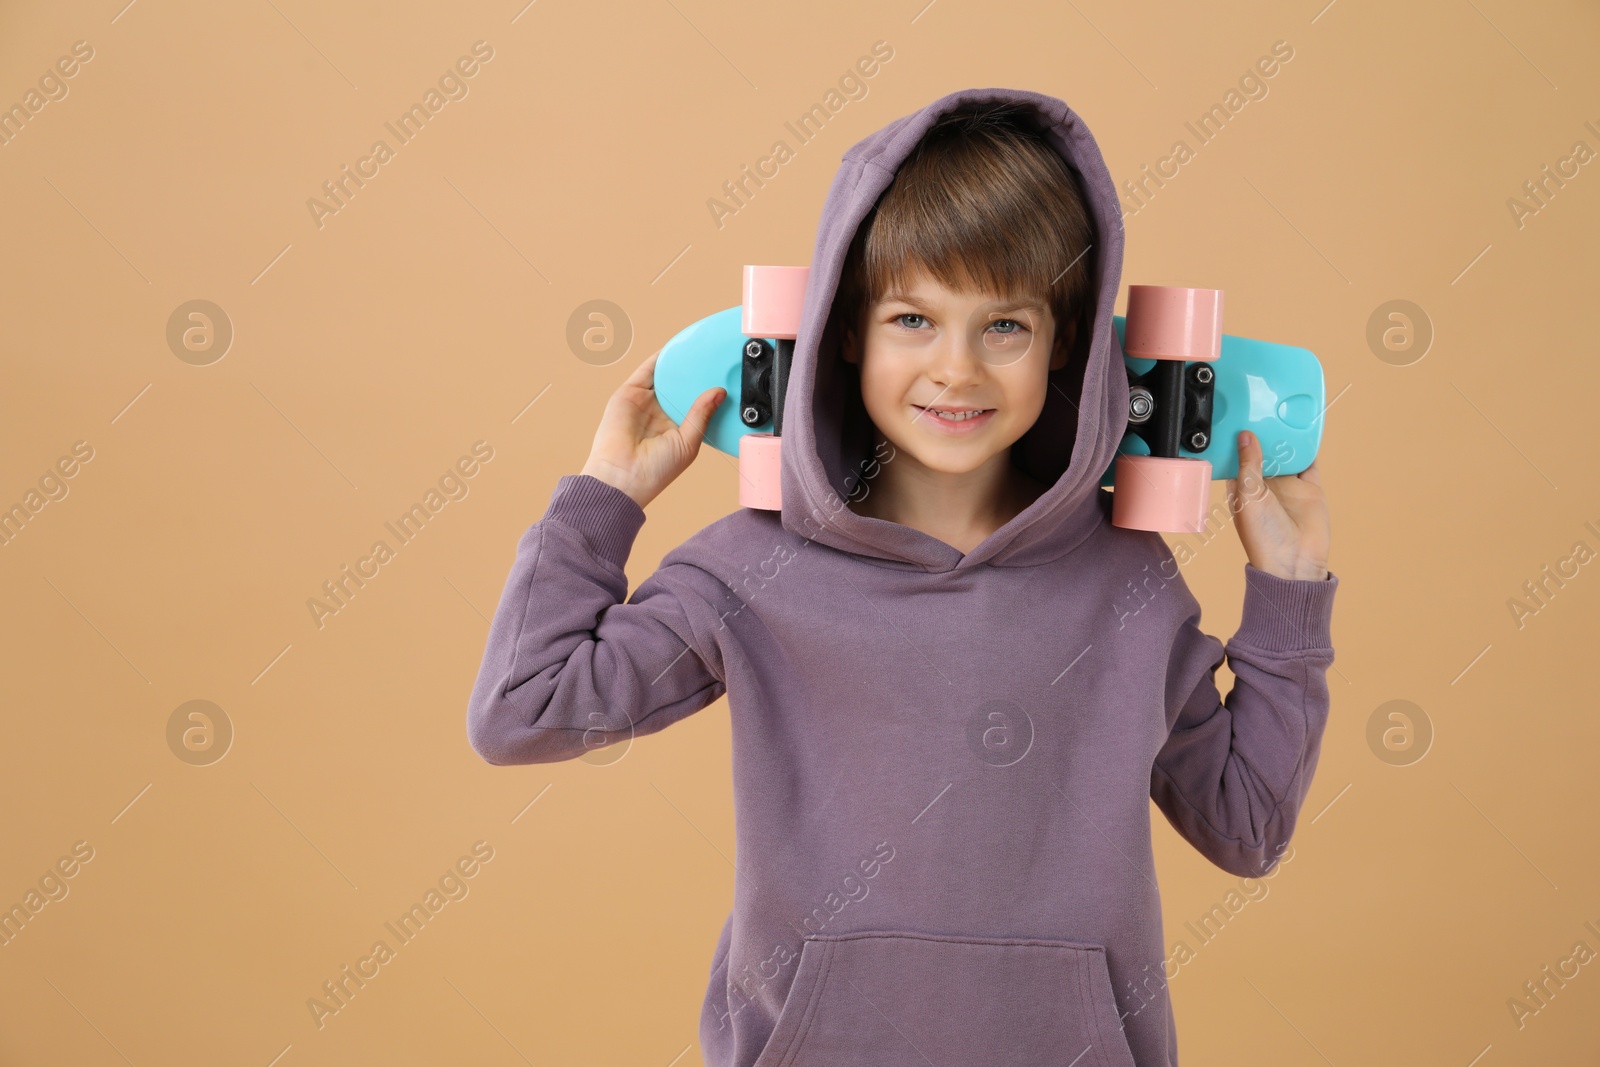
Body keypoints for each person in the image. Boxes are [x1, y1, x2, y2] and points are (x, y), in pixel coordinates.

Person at [466, 87, 1337, 1067]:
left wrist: (1289, 590)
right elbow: (521, 709)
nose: (956, 369)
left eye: (1003, 325)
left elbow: (1248, 824)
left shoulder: (1126, 582)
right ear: (846, 331)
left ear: (1067, 343)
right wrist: (601, 499)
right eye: (913, 318)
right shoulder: (754, 565)